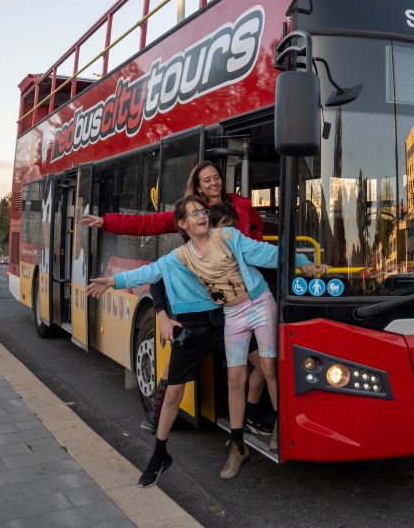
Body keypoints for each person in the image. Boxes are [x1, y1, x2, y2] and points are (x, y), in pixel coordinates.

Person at [87, 197, 322, 484]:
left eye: (203, 211)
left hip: (259, 304)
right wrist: (112, 282)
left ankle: (283, 428)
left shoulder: (228, 236)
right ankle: (237, 446)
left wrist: (301, 261)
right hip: (232, 313)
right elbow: (150, 273)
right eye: (194, 213)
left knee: (268, 366)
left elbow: (266, 254)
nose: (201, 216)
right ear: (183, 224)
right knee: (235, 378)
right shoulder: (181, 256)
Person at [80, 160, 271, 436]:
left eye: (216, 177)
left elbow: (257, 231)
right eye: (207, 180)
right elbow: (146, 224)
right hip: (200, 296)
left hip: (237, 298)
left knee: (265, 361)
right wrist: (106, 221)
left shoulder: (239, 205)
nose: (214, 182)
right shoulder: (191, 213)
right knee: (179, 360)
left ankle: (250, 414)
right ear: (198, 186)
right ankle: (158, 411)